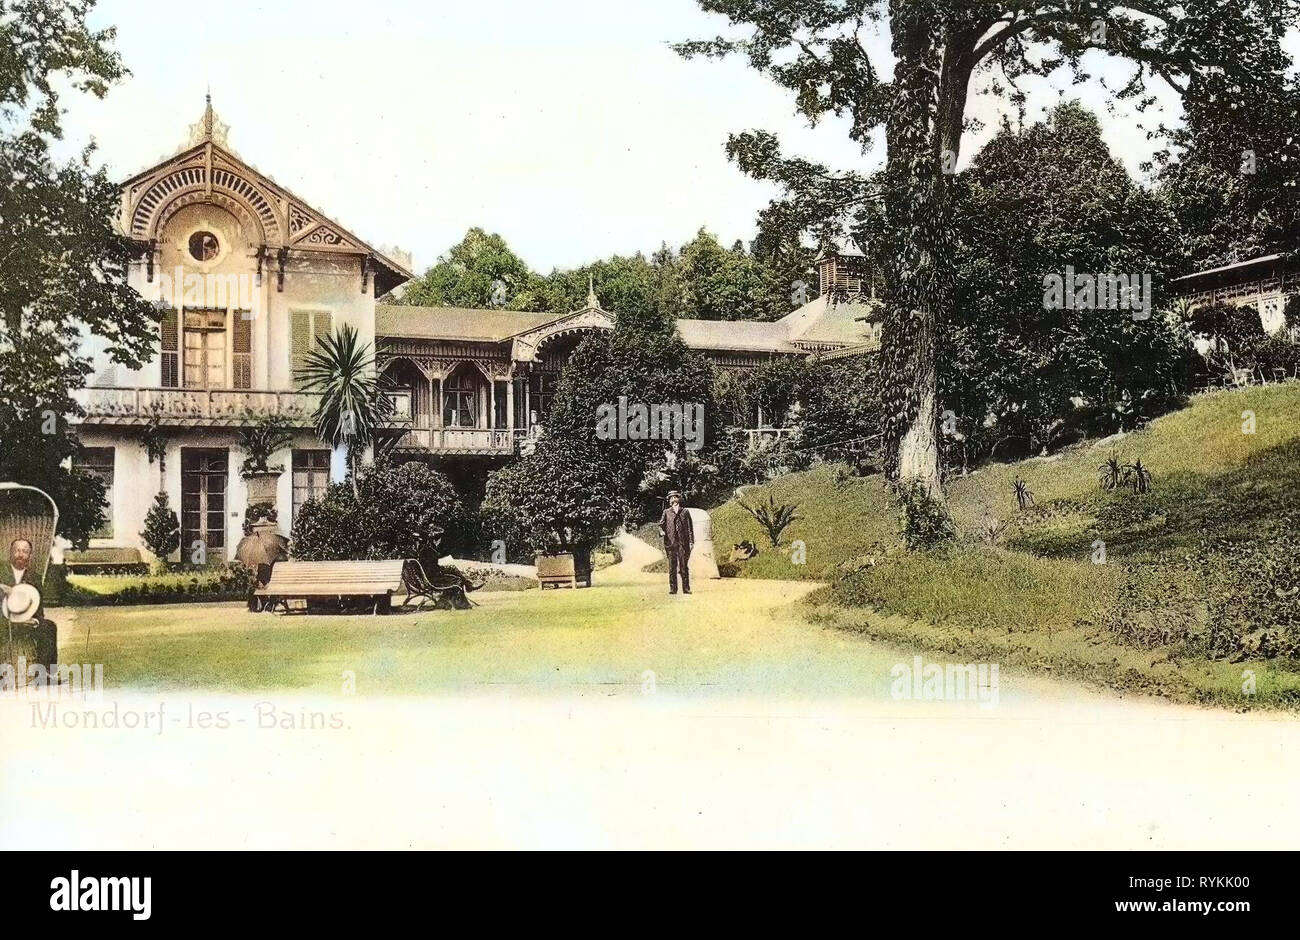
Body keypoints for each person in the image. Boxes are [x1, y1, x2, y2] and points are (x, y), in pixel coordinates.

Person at [2, 538, 58, 676]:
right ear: (11, 552)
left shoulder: (35, 577)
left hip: (26, 623)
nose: (20, 554)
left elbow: (38, 607)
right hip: (3, 621)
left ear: (29, 555)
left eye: (25, 551)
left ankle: (45, 674)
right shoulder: (1, 571)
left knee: (49, 627)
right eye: (17, 550)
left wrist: (36, 621)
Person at [658, 490, 694, 595]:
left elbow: (690, 528)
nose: (674, 499)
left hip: (683, 543)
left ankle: (686, 588)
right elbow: (661, 524)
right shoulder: (666, 512)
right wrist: (661, 531)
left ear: (679, 499)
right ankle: (673, 589)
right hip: (670, 543)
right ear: (669, 500)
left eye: (675, 497)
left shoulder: (685, 511)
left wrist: (691, 541)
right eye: (671, 498)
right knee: (672, 567)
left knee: (684, 566)